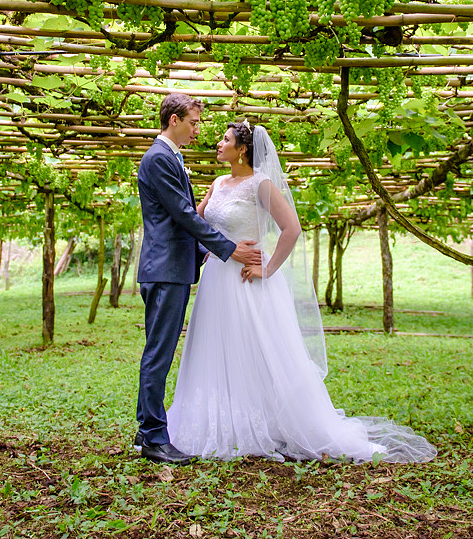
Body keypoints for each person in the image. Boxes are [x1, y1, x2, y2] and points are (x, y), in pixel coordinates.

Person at [166, 121, 437, 464]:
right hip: (218, 278)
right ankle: (222, 422)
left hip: (248, 281)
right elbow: (197, 222)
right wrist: (214, 249)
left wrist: (268, 268)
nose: (218, 143)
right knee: (216, 347)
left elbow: (291, 228)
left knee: (254, 351)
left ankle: (268, 424)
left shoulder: (260, 184)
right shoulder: (218, 183)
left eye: (225, 139)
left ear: (243, 149)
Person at [135, 94, 263, 465]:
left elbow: (189, 214)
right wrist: (228, 249)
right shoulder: (159, 158)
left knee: (160, 349)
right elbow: (184, 216)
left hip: (173, 266)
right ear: (174, 120)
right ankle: (154, 437)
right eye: (193, 122)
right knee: (159, 352)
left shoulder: (170, 156)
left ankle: (150, 430)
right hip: (165, 269)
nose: (197, 130)